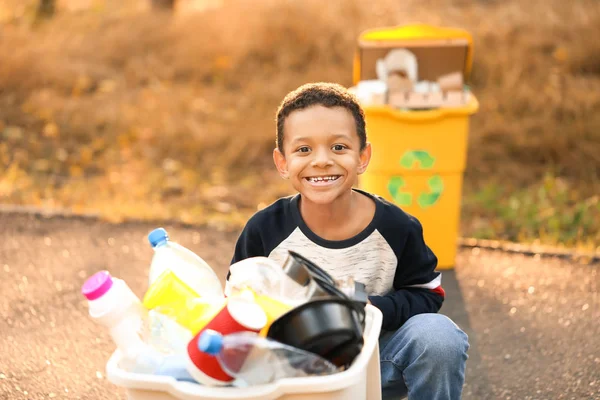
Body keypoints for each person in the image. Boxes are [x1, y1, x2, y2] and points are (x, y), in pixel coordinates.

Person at [228, 82, 469, 400]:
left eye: (339, 147)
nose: (322, 160)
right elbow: (236, 297)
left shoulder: (397, 227)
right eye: (304, 150)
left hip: (372, 365)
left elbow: (427, 294)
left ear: (363, 156)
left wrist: (371, 307)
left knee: (439, 337)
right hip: (291, 373)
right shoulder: (265, 229)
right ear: (282, 162)